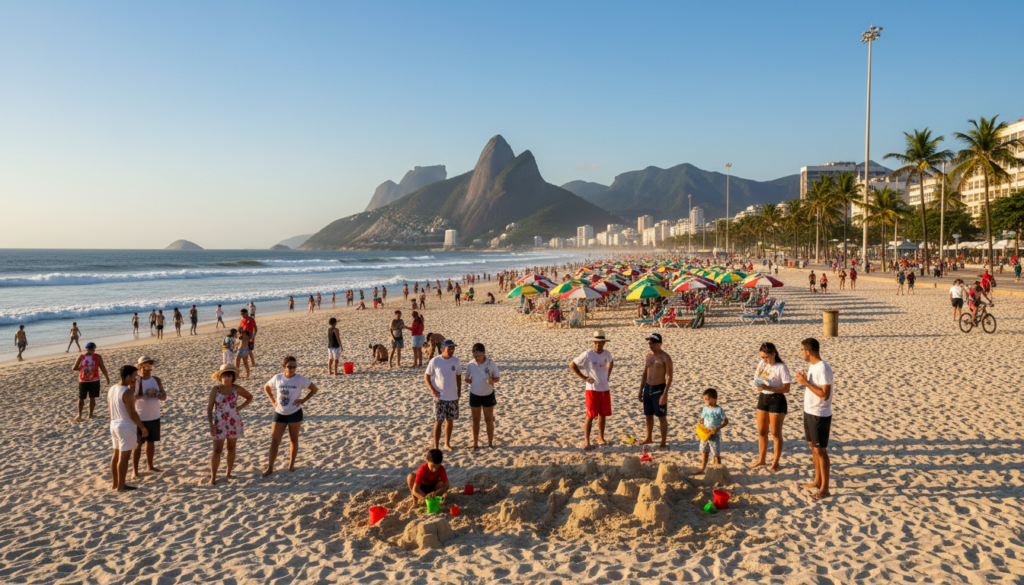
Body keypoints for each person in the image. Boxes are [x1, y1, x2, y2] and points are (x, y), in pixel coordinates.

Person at [263, 356, 319, 477]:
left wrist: (303, 400)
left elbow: (314, 389)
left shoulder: (300, 379)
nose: (292, 369)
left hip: (295, 413)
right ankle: (270, 467)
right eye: (289, 367)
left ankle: (291, 465)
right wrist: (272, 401)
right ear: (284, 367)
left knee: (293, 439)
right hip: (279, 413)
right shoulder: (277, 378)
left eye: (294, 367)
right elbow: (266, 387)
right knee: (275, 441)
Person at [795, 338, 833, 499]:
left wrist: (805, 383)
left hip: (820, 413)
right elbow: (815, 386)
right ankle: (817, 481)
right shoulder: (813, 366)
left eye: (802, 350)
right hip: (809, 411)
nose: (801, 353)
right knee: (813, 447)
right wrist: (806, 379)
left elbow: (824, 395)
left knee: (821, 450)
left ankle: (825, 489)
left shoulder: (823, 368)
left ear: (808, 352)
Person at [748, 342, 791, 471]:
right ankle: (762, 460)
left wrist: (768, 387)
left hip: (777, 400)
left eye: (766, 357)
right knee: (762, 432)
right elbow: (757, 379)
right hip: (763, 398)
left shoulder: (781, 367)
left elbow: (786, 388)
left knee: (775, 433)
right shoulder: (762, 364)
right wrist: (758, 383)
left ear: (773, 354)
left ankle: (775, 462)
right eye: (762, 357)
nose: (764, 359)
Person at [207, 365, 252, 485]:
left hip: (234, 422)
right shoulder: (215, 389)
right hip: (219, 423)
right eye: (224, 376)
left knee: (231, 448)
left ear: (232, 377)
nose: (226, 378)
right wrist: (211, 424)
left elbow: (249, 397)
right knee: (217, 450)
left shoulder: (236, 388)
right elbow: (209, 408)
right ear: (220, 377)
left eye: (228, 376)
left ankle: (228, 473)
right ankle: (213, 477)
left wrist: (240, 408)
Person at [570, 331, 615, 451]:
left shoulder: (607, 354)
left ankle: (601, 438)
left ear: (604, 343)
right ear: (593, 343)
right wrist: (584, 377)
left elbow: (611, 362)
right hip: (592, 390)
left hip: (605, 389)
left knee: (603, 415)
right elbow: (572, 364)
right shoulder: (588, 354)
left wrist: (608, 375)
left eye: (600, 343)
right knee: (590, 415)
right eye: (596, 343)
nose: (598, 345)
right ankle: (587, 441)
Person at [108, 365, 149, 491]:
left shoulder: (112, 389)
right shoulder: (127, 392)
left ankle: (115, 484)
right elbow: (132, 413)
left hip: (114, 424)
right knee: (124, 457)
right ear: (127, 376)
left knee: (116, 455)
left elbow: (110, 410)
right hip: (125, 426)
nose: (136, 378)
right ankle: (121, 486)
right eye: (134, 376)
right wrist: (142, 427)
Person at [131, 356, 166, 478]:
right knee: (138, 444)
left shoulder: (156, 379)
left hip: (154, 416)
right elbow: (130, 397)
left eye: (150, 368)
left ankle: (150, 466)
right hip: (140, 417)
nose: (148, 371)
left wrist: (158, 395)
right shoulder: (135, 381)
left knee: (151, 442)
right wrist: (143, 396)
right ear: (139, 368)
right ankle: (135, 471)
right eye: (145, 369)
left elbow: (164, 396)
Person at [637, 332, 673, 449]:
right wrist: (641, 390)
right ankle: (648, 438)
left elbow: (669, 376)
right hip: (648, 388)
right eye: (649, 343)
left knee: (661, 416)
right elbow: (644, 373)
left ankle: (663, 442)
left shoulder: (665, 357)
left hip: (659, 389)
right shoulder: (648, 356)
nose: (650, 345)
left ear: (660, 343)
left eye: (652, 343)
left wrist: (665, 393)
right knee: (648, 415)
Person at [425, 339, 461, 451]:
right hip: (439, 397)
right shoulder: (435, 361)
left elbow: (458, 376)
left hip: (452, 396)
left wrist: (459, 391)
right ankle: (436, 446)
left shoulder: (456, 361)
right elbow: (426, 376)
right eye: (449, 348)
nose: (452, 350)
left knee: (450, 420)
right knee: (438, 421)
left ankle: (447, 444)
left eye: (453, 348)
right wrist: (432, 390)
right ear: (442, 349)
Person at [465, 343, 500, 449]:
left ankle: (490, 443)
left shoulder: (490, 363)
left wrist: (492, 380)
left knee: (489, 420)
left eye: (478, 353)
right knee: (475, 420)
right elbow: (467, 378)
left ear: (483, 353)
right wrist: (468, 380)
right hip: (474, 394)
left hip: (488, 394)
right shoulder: (470, 364)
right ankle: (475, 444)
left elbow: (497, 378)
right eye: (474, 353)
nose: (476, 355)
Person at [73, 342, 110, 421]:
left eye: (92, 348)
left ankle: (87, 415)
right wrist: (82, 369)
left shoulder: (95, 356)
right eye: (90, 348)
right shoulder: (83, 356)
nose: (92, 349)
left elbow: (102, 367)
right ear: (87, 348)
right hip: (85, 381)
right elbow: (74, 368)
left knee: (89, 398)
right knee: (83, 398)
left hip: (92, 380)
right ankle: (82, 415)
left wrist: (107, 378)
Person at [698, 388, 728, 473]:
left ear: (715, 399)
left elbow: (725, 421)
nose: (705, 400)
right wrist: (701, 421)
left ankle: (718, 470)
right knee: (704, 450)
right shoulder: (705, 408)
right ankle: (703, 468)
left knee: (715, 452)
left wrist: (717, 428)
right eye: (704, 399)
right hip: (706, 433)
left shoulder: (719, 410)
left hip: (715, 433)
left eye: (707, 399)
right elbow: (703, 418)